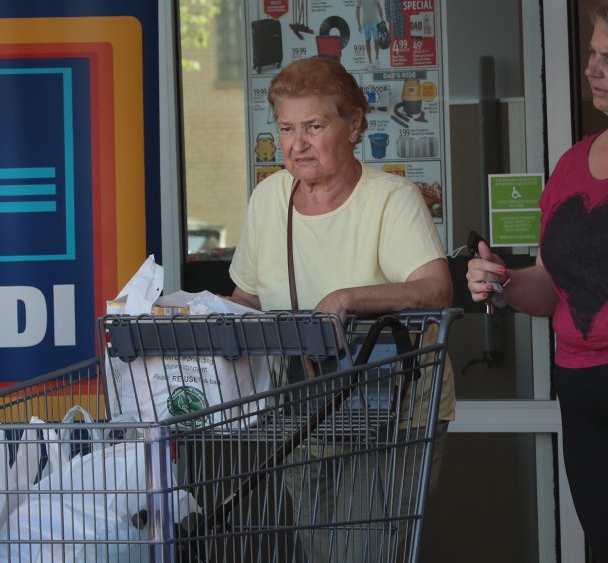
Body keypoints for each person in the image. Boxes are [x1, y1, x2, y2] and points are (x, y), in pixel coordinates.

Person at [229, 56, 454, 561]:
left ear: (354, 125)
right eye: (286, 128)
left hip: (389, 411)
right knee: (322, 549)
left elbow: (435, 289)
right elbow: (248, 300)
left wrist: (348, 299)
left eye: (314, 125)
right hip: (307, 409)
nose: (297, 143)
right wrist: (183, 315)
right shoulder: (269, 200)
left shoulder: (390, 199)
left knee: (363, 549)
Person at [466, 2, 608, 561]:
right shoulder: (572, 163)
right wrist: (504, 283)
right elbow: (551, 284)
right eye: (591, 53)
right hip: (582, 383)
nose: (592, 69)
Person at [356, 0, 385, 69]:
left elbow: (379, 6)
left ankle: (377, 60)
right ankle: (370, 62)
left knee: (376, 41)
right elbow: (358, 9)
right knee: (367, 41)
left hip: (375, 21)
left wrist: (382, 19)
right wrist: (359, 23)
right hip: (365, 23)